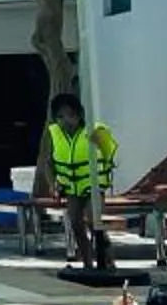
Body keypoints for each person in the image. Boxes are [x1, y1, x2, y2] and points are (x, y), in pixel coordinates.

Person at [45, 90, 119, 273]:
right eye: (60, 116)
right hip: (71, 187)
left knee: (94, 222)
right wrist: (53, 184)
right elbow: (48, 162)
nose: (65, 121)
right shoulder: (54, 135)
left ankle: (108, 261)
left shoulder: (93, 131)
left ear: (79, 115)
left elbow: (110, 152)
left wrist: (106, 174)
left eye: (70, 115)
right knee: (76, 223)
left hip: (93, 186)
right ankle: (87, 264)